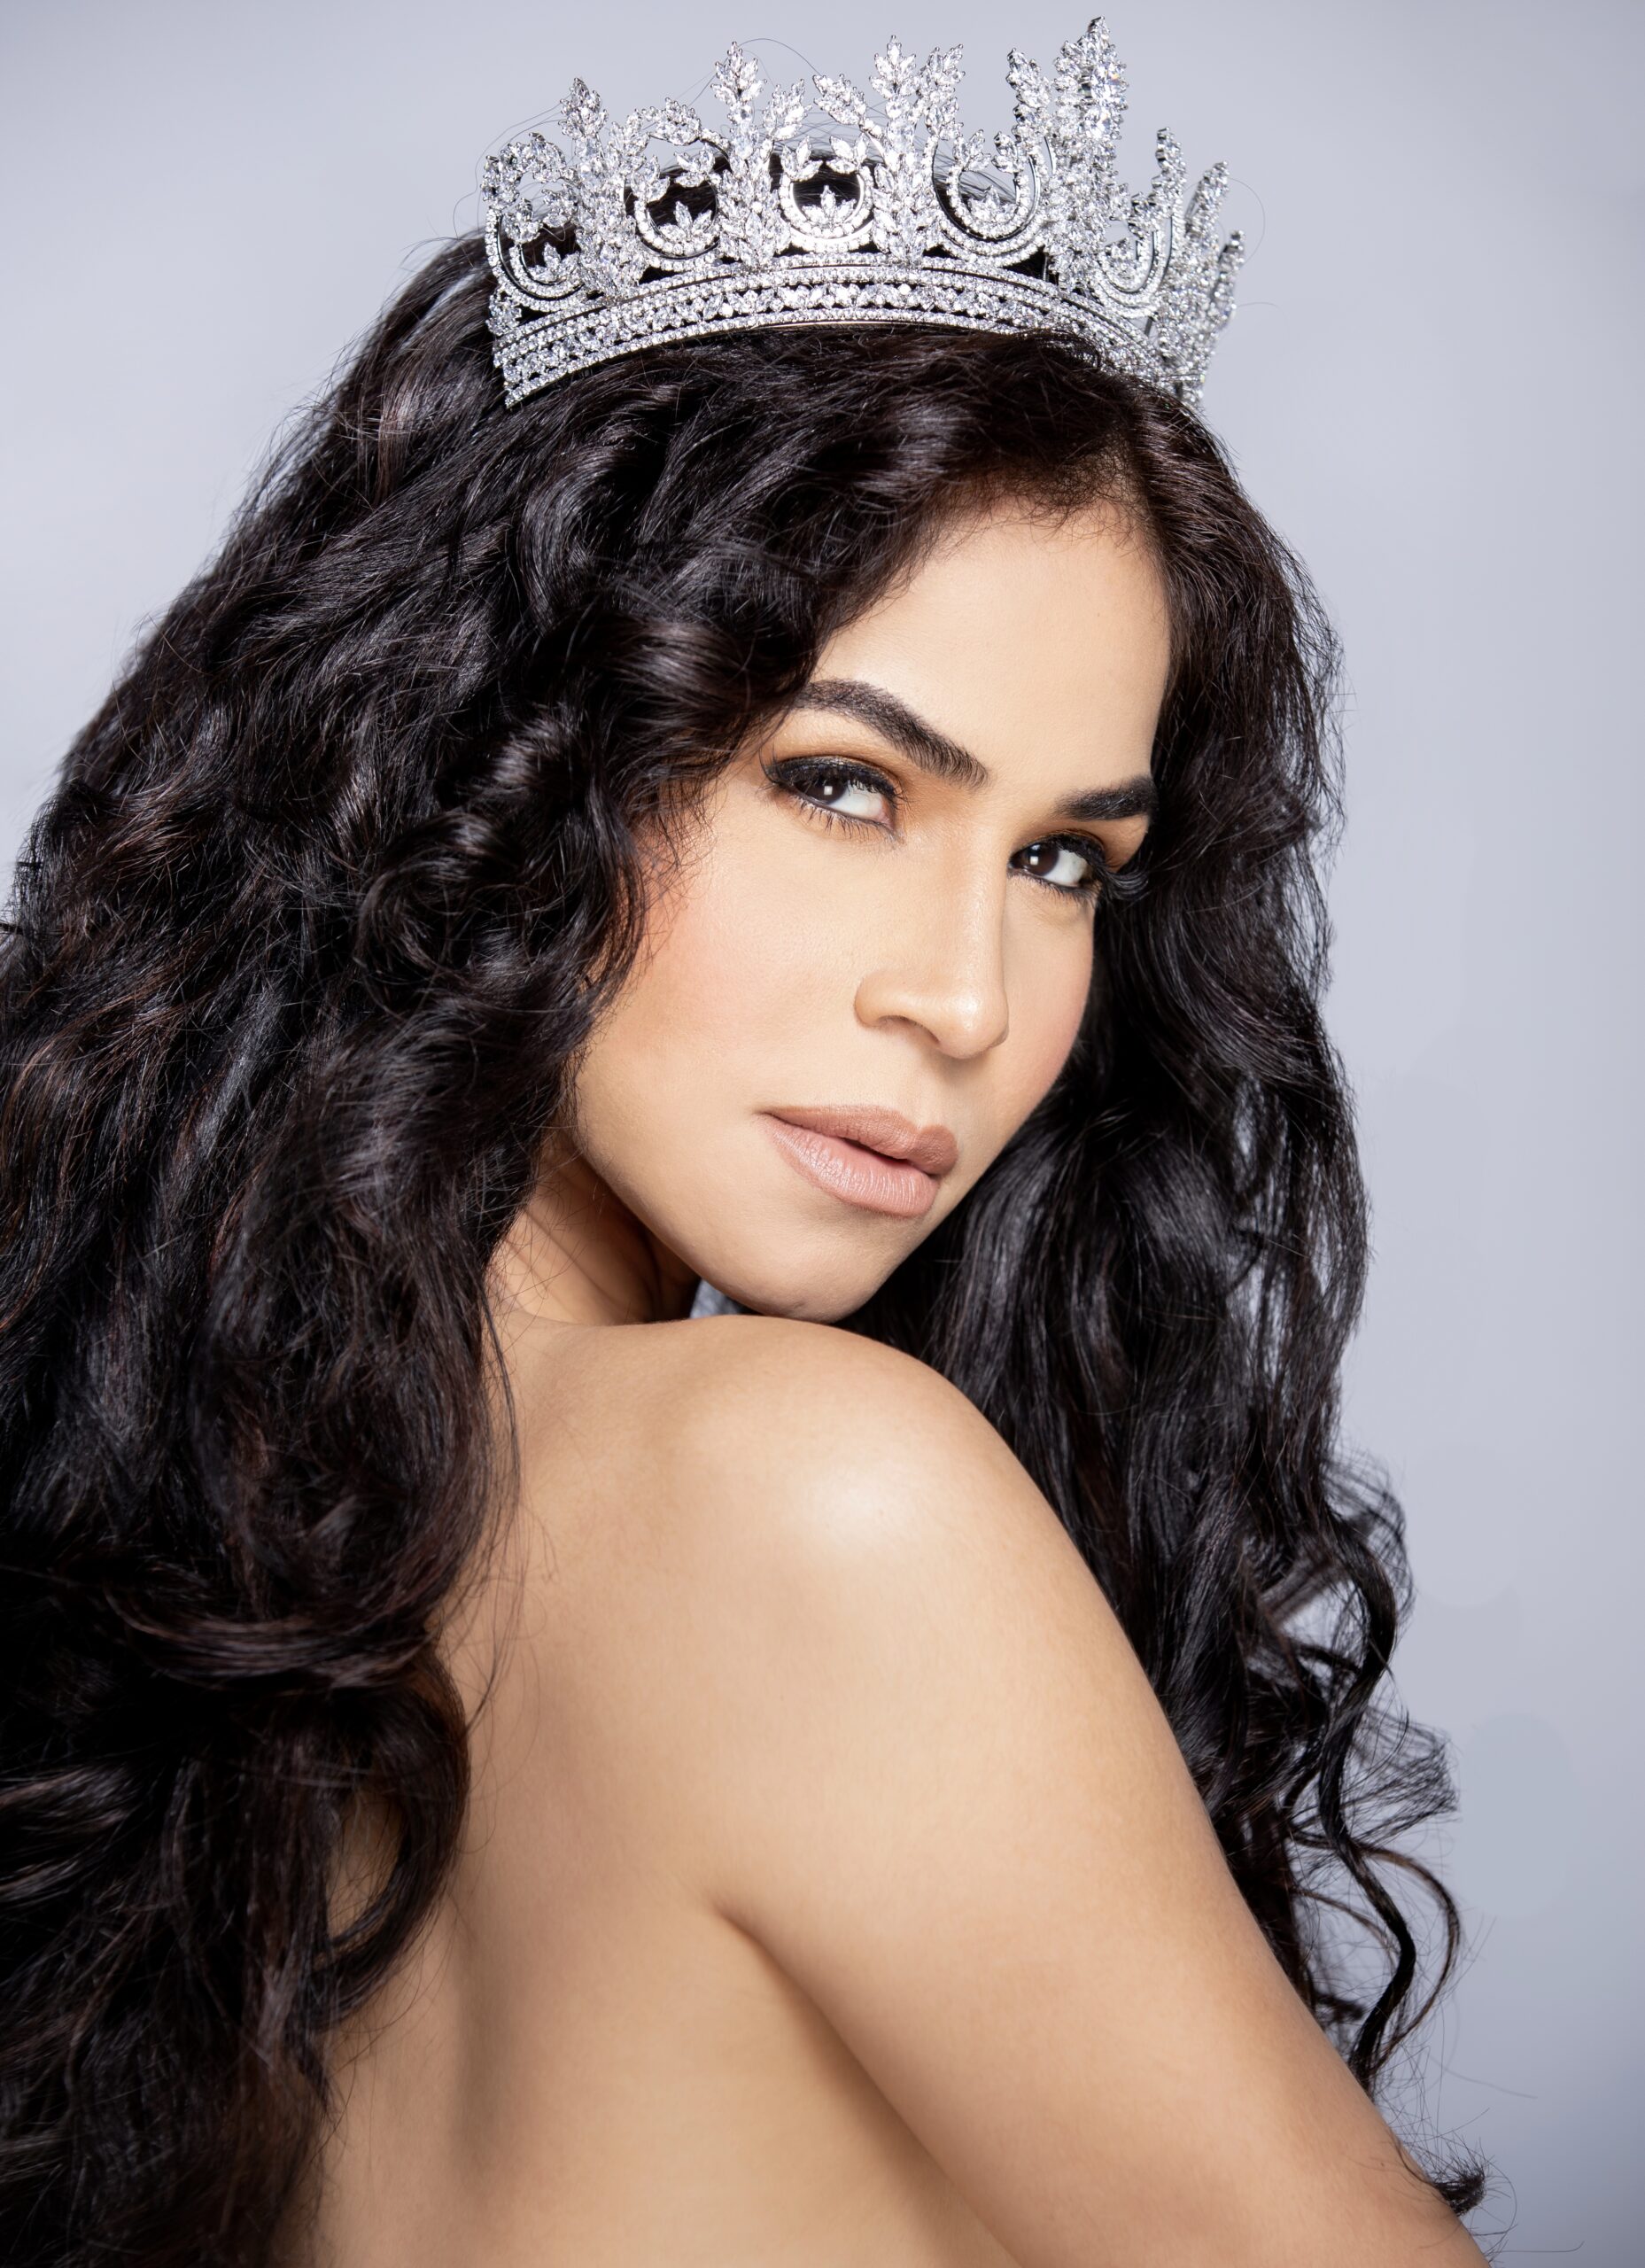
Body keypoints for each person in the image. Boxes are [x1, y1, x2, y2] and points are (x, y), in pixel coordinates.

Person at [0, 21, 1492, 2267]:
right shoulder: (808, 1498)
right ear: (507, 754)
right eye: (840, 784)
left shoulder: (252, 1564)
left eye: (1063, 861)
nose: (964, 997)